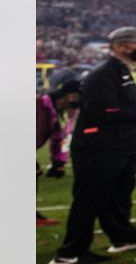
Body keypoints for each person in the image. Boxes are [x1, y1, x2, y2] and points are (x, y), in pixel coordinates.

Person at [50, 27, 136, 264]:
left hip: (125, 143)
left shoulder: (133, 71)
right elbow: (105, 111)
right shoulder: (102, 75)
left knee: (119, 194)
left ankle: (122, 237)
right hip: (100, 145)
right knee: (90, 198)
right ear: (120, 47)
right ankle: (69, 253)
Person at [37, 79, 81, 227]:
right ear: (70, 96)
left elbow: (60, 137)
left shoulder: (58, 111)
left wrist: (59, 162)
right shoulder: (39, 107)